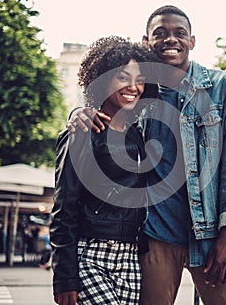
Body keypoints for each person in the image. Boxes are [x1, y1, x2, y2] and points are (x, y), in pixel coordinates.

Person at [67, 6, 226, 305]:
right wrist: (80, 112)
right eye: (160, 34)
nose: (171, 40)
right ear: (146, 41)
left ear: (192, 41)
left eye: (179, 33)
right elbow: (106, 110)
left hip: (210, 238)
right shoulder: (141, 93)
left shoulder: (224, 88)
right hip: (156, 236)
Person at [50, 36, 159, 305]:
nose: (134, 87)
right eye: (123, 77)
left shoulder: (137, 135)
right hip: (90, 256)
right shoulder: (82, 132)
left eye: (140, 79)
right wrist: (64, 276)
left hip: (130, 258)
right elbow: (64, 206)